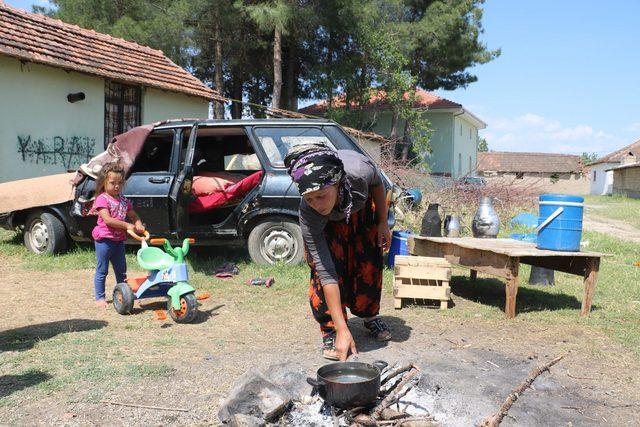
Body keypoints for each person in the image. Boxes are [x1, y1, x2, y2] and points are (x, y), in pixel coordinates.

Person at [284, 144, 392, 361]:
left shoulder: (359, 173)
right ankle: (333, 328)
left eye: (322, 196)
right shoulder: (310, 214)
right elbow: (326, 273)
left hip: (359, 213)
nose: (316, 204)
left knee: (368, 264)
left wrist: (382, 222)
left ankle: (369, 315)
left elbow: (378, 183)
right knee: (322, 268)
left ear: (338, 183)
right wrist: (343, 329)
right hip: (327, 226)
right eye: (309, 198)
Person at [90, 163, 145, 308]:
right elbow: (107, 220)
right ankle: (100, 298)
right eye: (112, 183)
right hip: (104, 241)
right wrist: (127, 225)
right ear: (104, 183)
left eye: (120, 183)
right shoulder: (102, 199)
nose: (117, 186)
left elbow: (133, 215)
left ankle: (125, 294)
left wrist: (138, 223)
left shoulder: (123, 200)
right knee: (102, 270)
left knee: (121, 271)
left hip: (118, 241)